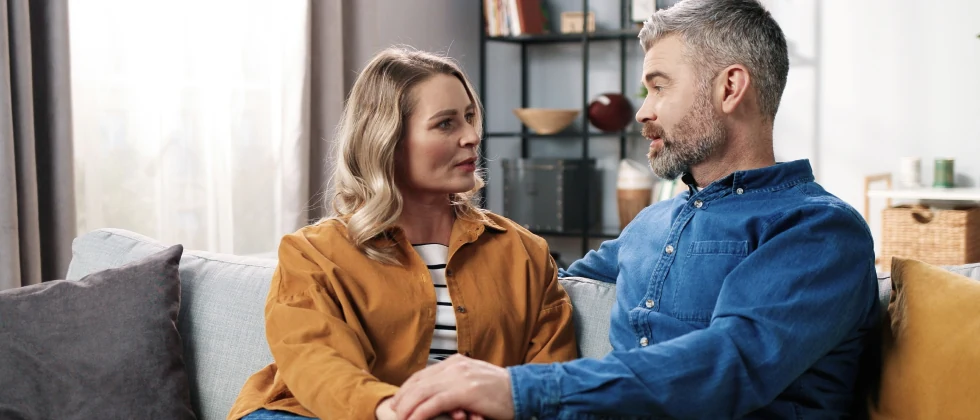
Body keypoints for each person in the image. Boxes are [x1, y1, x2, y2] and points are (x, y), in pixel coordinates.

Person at [389, 0, 881, 418]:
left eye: (659, 86)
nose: (643, 110)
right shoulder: (653, 222)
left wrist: (520, 392)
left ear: (730, 88)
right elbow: (538, 293)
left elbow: (731, 361)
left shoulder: (818, 229)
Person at [226, 47, 578, 420]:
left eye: (470, 117)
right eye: (446, 123)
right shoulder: (312, 253)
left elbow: (547, 379)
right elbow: (314, 360)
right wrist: (392, 410)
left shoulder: (525, 253)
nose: (471, 136)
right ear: (388, 141)